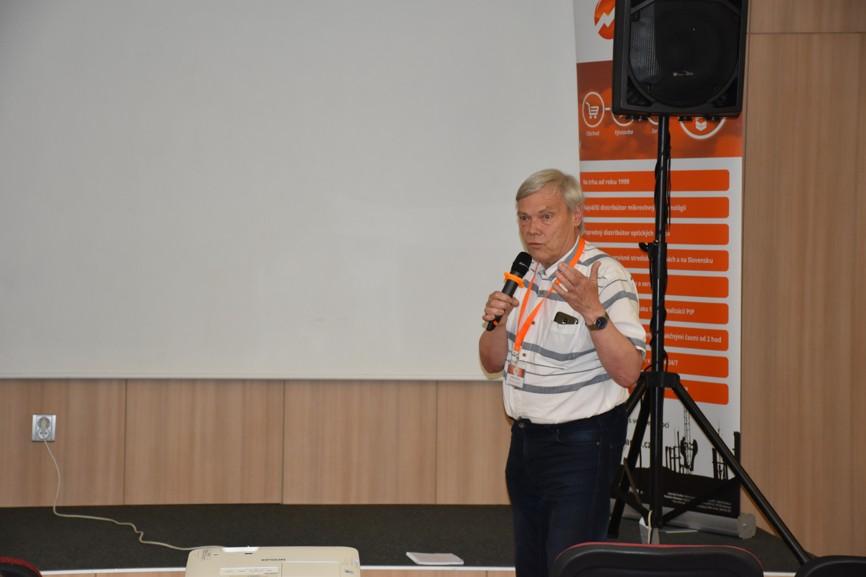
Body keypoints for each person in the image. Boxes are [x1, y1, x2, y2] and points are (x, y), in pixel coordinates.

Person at [479, 168, 646, 577]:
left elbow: (629, 371)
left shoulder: (604, 276)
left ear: (577, 215)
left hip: (580, 445)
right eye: (524, 218)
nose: (532, 229)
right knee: (532, 566)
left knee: (569, 567)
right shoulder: (525, 271)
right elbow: (491, 362)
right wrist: (497, 322)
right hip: (525, 442)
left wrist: (593, 312)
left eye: (545, 216)